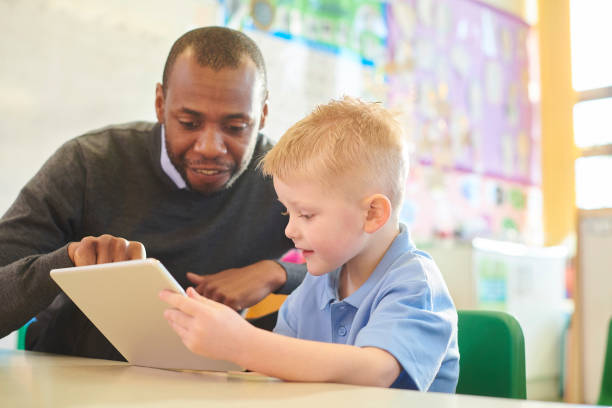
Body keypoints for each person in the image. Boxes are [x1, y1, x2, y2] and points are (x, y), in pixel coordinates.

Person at [0, 26, 306, 360]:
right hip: (79, 374)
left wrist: (277, 273)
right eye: (189, 122)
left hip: (212, 383)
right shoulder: (88, 165)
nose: (210, 147)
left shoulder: (285, 178)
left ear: (262, 114)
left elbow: (367, 265)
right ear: (160, 104)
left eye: (235, 128)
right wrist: (69, 261)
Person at [160, 97, 459, 391]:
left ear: (372, 214)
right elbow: (280, 374)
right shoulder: (315, 286)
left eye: (306, 214)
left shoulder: (416, 284)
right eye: (287, 212)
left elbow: (376, 372)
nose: (290, 229)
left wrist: (241, 344)